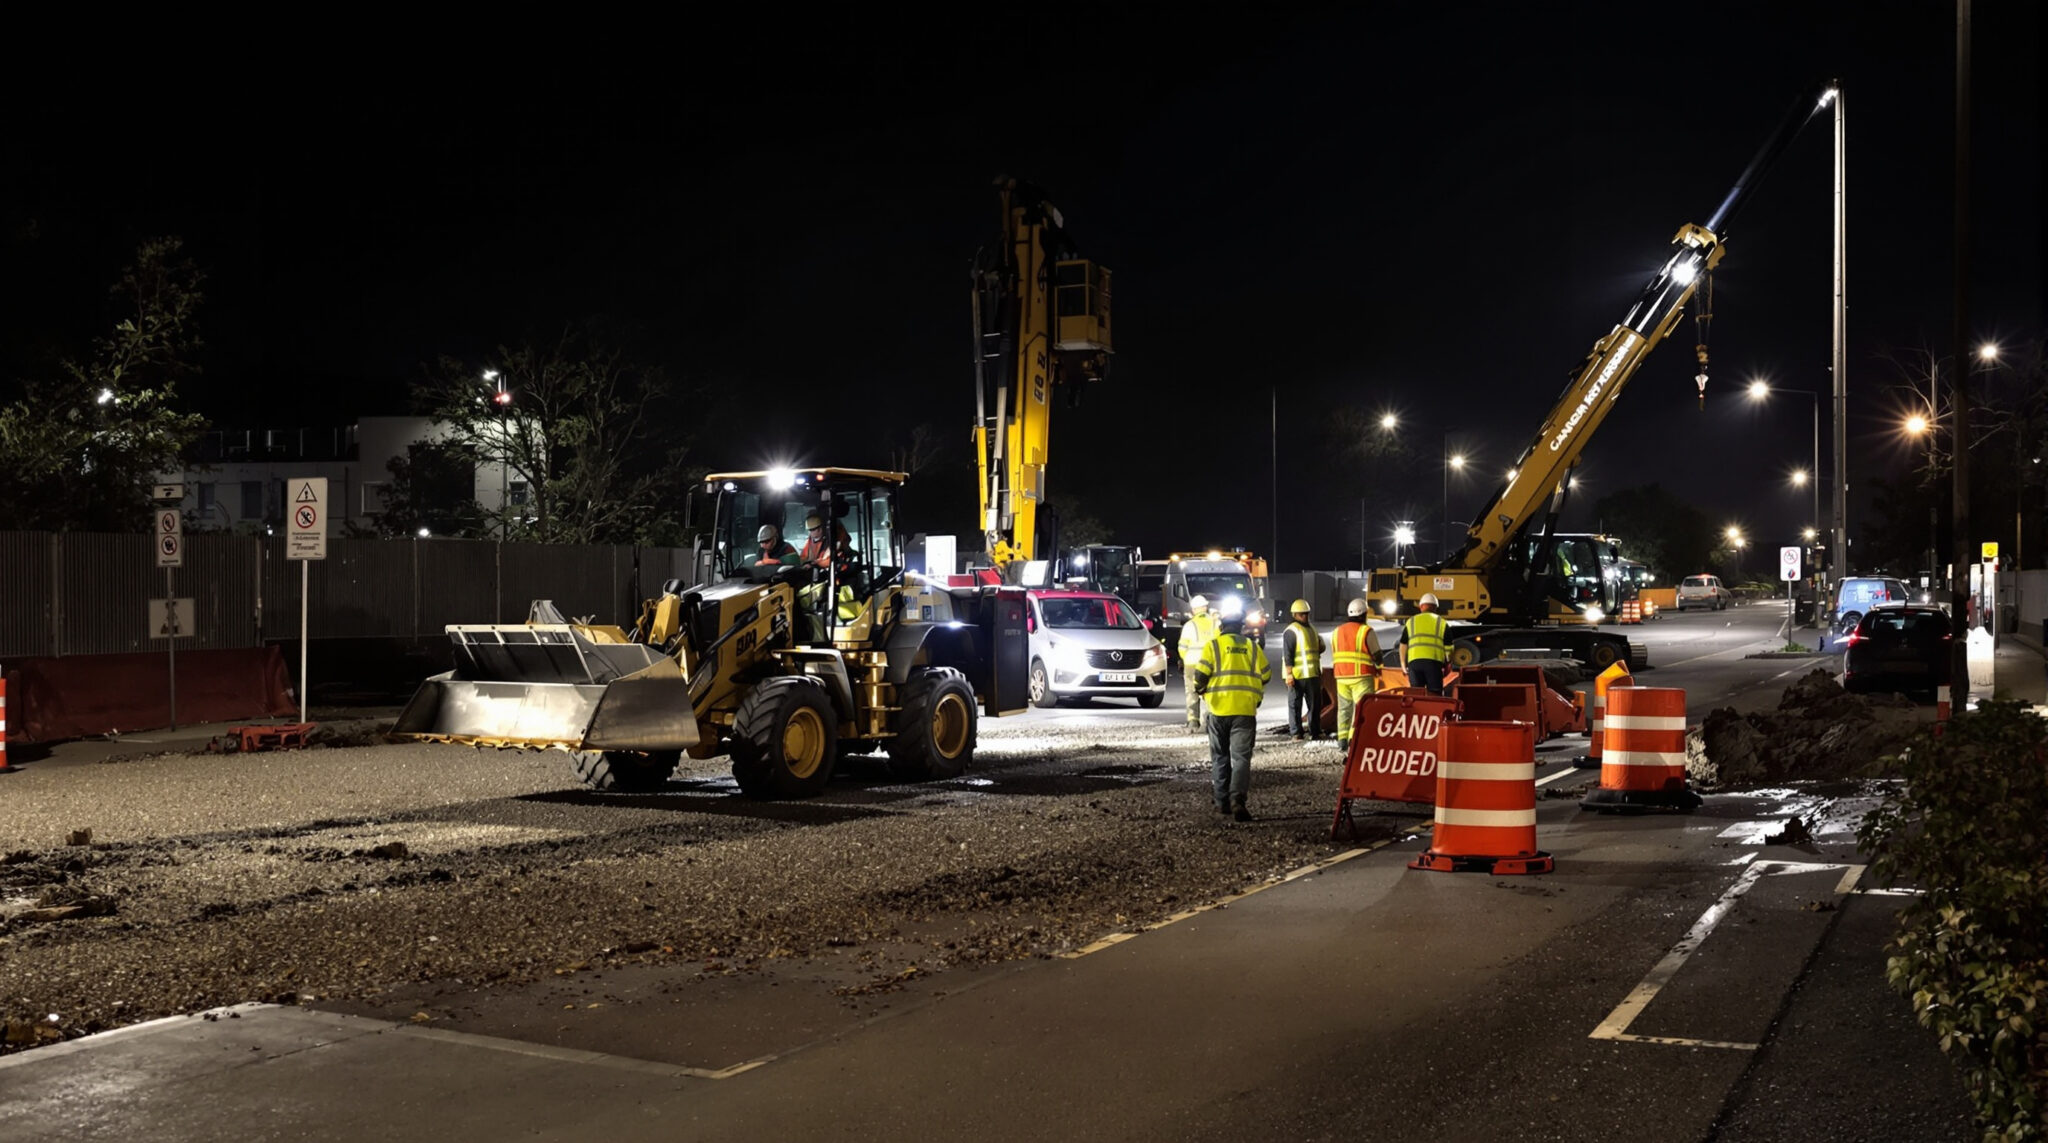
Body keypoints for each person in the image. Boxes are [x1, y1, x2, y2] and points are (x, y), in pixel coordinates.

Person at [1189, 600, 1271, 821]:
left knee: (1220, 757)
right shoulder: (1253, 647)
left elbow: (1200, 676)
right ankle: (1238, 801)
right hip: (1245, 710)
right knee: (1241, 759)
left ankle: (1221, 801)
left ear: (1222, 626)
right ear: (1241, 626)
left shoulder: (1213, 646)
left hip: (1217, 710)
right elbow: (1266, 675)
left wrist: (1200, 691)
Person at [1331, 598, 1383, 747]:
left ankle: (1342, 740)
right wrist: (1379, 667)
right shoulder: (1366, 631)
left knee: (1344, 709)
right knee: (1361, 709)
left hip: (1341, 676)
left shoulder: (1336, 631)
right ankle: (1354, 739)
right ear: (1364, 615)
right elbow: (1377, 654)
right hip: (1362, 676)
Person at [1176, 595, 1221, 731]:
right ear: (1205, 608)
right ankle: (1210, 720)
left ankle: (1193, 722)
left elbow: (1182, 648)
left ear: (1194, 610)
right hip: (1210, 663)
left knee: (1192, 692)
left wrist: (1185, 659)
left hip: (1191, 663)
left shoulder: (1189, 625)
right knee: (1210, 691)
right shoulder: (1215, 624)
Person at [1281, 599, 1324, 742]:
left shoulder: (1312, 629)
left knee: (1315, 705)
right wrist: (1289, 674)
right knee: (1295, 705)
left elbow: (1319, 648)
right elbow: (1288, 655)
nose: (1305, 617)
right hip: (1297, 675)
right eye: (1301, 615)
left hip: (1312, 674)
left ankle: (1315, 731)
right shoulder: (1291, 631)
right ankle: (1296, 733)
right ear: (1294, 615)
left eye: (1306, 614)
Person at [1400, 592, 1450, 695]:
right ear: (1435, 607)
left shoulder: (1411, 621)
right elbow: (1449, 647)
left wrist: (1403, 664)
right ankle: (1434, 711)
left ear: (1421, 607)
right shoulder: (1442, 622)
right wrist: (1448, 663)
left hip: (1414, 664)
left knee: (1416, 694)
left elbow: (1403, 644)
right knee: (1435, 694)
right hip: (1434, 664)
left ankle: (1418, 711)